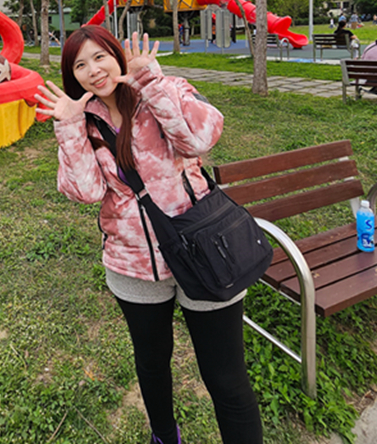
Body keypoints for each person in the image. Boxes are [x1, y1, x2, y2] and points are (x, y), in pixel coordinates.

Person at [35, 27, 263, 444]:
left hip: (205, 250)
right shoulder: (81, 121)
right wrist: (68, 127)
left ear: (117, 55)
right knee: (153, 364)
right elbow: (85, 192)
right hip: (134, 264)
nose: (93, 71)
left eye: (99, 57)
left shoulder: (167, 87)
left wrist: (151, 83)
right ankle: (164, 437)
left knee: (226, 377)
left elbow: (199, 138)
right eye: (80, 65)